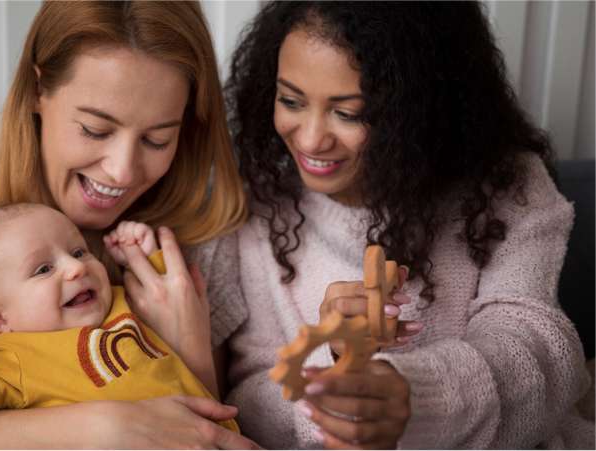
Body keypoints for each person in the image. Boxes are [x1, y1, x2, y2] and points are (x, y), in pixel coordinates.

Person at [0, 2, 256, 448]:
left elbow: (207, 434)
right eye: (96, 130)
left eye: (157, 138)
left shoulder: (195, 231)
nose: (122, 171)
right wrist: (107, 427)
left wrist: (193, 349)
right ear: (36, 90)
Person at [202, 1, 595, 448]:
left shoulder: (507, 186)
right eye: (290, 100)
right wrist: (332, 365)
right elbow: (246, 403)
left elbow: (544, 356)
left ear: (418, 109)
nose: (310, 138)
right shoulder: (259, 204)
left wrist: (411, 397)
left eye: (349, 113)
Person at [0, 203, 238, 432]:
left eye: (78, 251)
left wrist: (142, 253)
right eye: (43, 269)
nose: (75, 269)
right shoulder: (8, 358)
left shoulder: (121, 305)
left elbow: (166, 304)